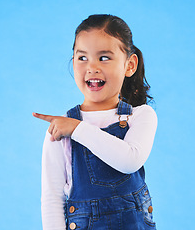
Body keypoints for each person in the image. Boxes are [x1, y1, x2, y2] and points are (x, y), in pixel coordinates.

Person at [33, 14, 158, 230]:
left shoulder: (141, 116)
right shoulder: (59, 130)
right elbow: (52, 201)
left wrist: (77, 128)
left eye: (104, 58)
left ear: (130, 65)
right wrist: (71, 127)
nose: (92, 67)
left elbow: (129, 160)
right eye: (82, 58)